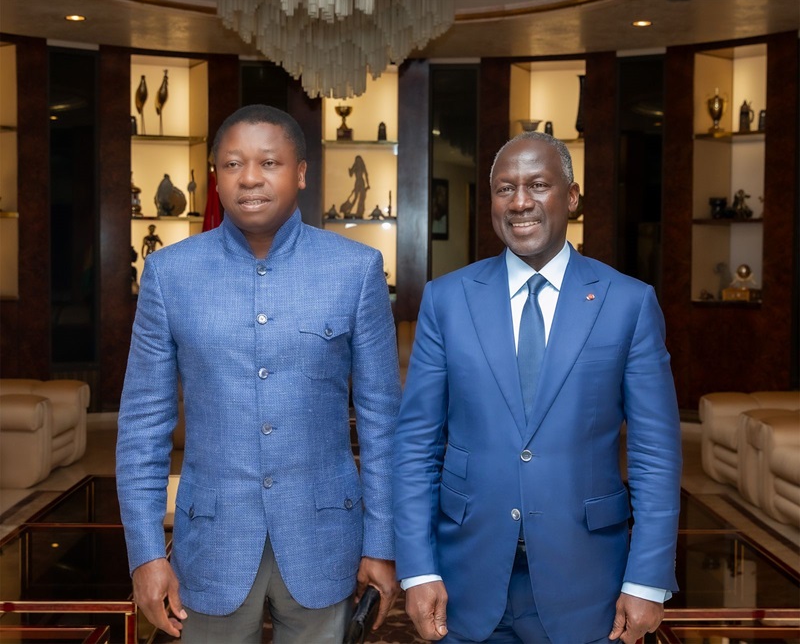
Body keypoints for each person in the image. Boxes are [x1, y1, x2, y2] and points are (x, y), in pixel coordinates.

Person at [116, 104, 401, 643]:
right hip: (211, 547)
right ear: (216, 176)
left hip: (326, 539)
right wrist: (146, 554)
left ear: (300, 173)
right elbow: (141, 428)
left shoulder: (355, 269)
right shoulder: (169, 275)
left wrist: (381, 543)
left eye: (269, 162)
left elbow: (383, 422)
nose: (249, 177)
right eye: (232, 164)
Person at [393, 132, 682, 644]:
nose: (520, 202)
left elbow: (655, 454)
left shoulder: (628, 303)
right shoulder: (446, 301)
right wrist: (417, 569)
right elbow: (416, 445)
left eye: (538, 185)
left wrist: (648, 580)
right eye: (505, 189)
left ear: (571, 197)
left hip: (588, 582)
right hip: (466, 578)